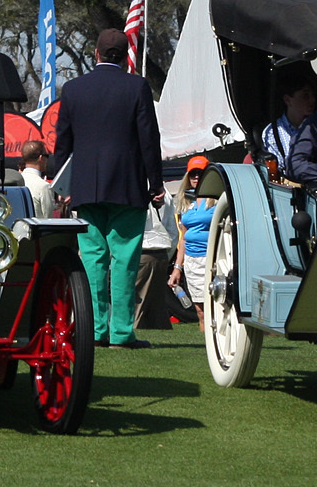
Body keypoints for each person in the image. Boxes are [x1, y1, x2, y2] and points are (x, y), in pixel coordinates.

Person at [53, 28, 164, 349]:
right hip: (128, 188)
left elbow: (63, 141)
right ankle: (120, 333)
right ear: (126, 56)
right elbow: (149, 139)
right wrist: (155, 184)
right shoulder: (137, 87)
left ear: (96, 54)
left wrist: (60, 185)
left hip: (85, 188)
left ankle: (95, 330)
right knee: (125, 261)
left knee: (92, 260)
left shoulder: (73, 89)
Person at [169, 184, 215, 330]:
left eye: (200, 173)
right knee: (200, 311)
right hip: (191, 260)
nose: (196, 177)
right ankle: (205, 346)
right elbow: (183, 237)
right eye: (193, 173)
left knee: (216, 307)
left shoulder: (216, 200)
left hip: (213, 259)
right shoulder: (186, 202)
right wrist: (177, 268)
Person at [260, 67, 317, 174]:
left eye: (313, 95)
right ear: (288, 100)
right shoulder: (273, 132)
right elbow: (280, 169)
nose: (312, 100)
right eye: (305, 95)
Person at [135, 194, 178, 329]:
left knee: (135, 305)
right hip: (161, 254)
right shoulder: (164, 192)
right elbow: (173, 232)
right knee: (157, 307)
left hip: (141, 252)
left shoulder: (131, 185)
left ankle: (129, 334)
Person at [18, 139, 57, 217]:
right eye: (47, 156)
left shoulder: (16, 181)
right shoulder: (44, 186)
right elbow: (49, 219)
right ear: (41, 158)